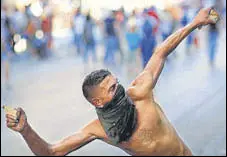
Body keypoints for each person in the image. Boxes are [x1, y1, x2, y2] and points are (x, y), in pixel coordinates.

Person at [5, 8, 218, 156]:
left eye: (116, 82)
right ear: (98, 102)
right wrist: (26, 130)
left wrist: (194, 24)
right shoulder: (99, 129)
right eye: (112, 89)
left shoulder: (140, 91)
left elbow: (161, 52)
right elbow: (52, 152)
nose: (121, 89)